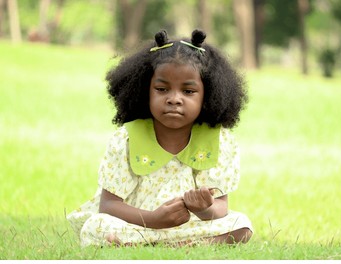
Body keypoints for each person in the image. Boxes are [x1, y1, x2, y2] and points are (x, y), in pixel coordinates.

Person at [67, 29, 253, 247]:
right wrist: (153, 220)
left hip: (190, 224)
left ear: (207, 96)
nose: (174, 99)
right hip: (138, 222)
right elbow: (108, 206)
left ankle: (165, 245)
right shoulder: (127, 138)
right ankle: (165, 243)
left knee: (242, 224)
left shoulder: (219, 141)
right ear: (144, 91)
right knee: (96, 226)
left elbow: (221, 208)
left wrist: (204, 209)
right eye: (162, 89)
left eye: (188, 91)